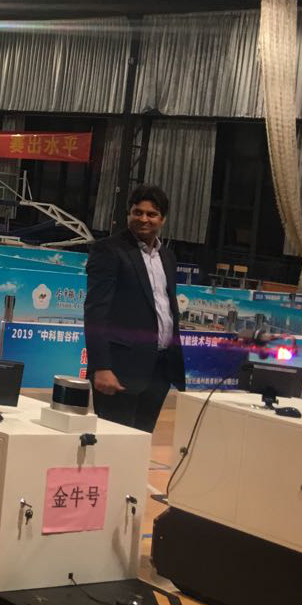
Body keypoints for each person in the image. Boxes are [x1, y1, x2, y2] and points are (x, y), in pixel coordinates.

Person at [84, 184, 185, 434]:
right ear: (129, 213)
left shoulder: (168, 257)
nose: (143, 219)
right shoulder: (108, 250)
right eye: (137, 212)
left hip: (159, 370)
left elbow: (166, 308)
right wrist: (101, 367)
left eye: (151, 214)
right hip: (119, 371)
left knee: (142, 442)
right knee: (115, 444)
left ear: (163, 219)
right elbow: (96, 312)